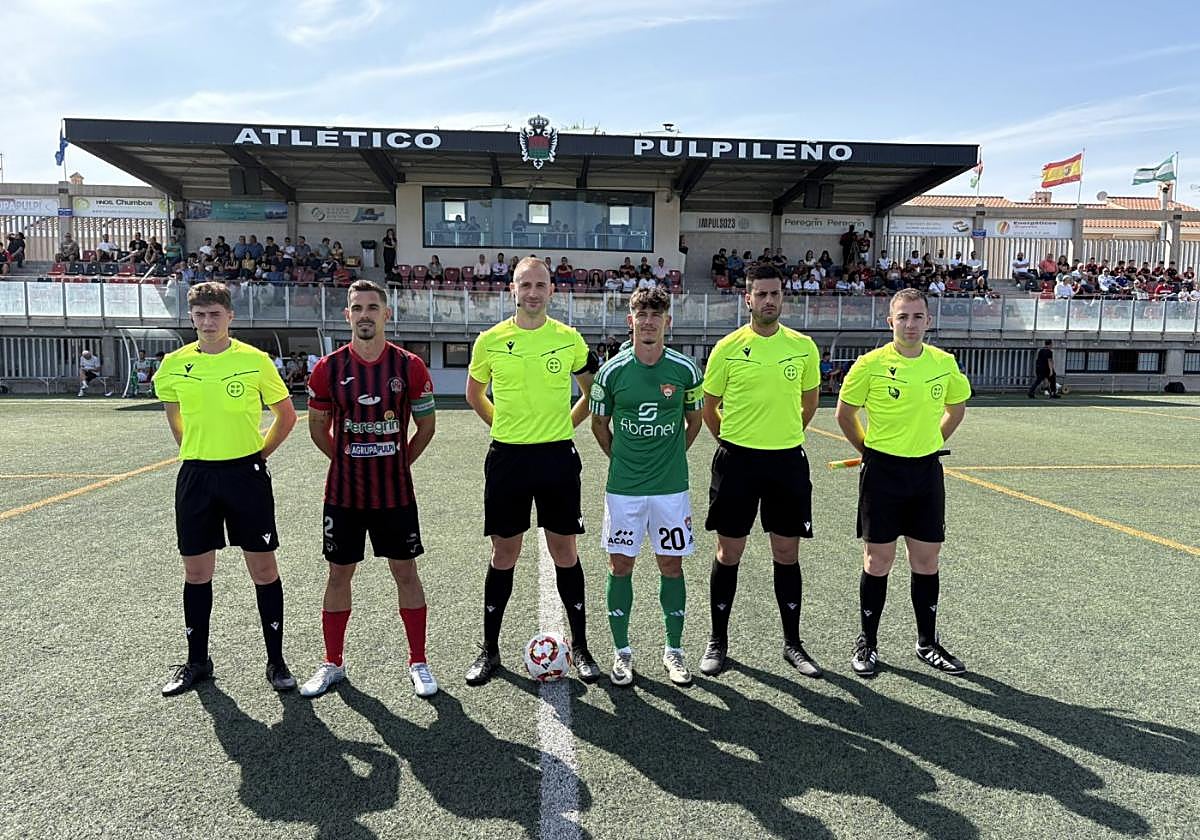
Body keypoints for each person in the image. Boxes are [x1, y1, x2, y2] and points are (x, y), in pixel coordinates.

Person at [153, 281, 298, 696]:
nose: (207, 322)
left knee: (264, 569)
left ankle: (276, 661)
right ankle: (197, 661)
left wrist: (259, 456)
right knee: (197, 572)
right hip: (196, 475)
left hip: (245, 475)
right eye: (199, 315)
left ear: (230, 316)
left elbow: (286, 416)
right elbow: (174, 415)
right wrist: (194, 452)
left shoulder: (255, 362)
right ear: (191, 317)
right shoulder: (174, 365)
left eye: (215, 314)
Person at [463, 257, 602, 685]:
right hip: (508, 459)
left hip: (557, 458)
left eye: (541, 285)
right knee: (504, 553)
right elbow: (474, 395)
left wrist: (563, 426)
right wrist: (505, 428)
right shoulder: (489, 340)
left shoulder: (569, 339)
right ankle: (489, 650)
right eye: (526, 285)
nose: (533, 292)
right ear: (512, 289)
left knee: (565, 551)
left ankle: (580, 647)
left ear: (552, 291)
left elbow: (590, 391)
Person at [299, 280, 439, 699]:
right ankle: (333, 663)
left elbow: (426, 426)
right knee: (339, 573)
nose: (365, 314)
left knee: (406, 572)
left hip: (394, 494)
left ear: (386, 314)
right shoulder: (328, 368)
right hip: (343, 494)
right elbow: (316, 428)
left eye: (373, 307)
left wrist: (399, 462)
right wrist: (345, 460)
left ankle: (419, 661)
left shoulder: (409, 366)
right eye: (357, 307)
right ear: (347, 315)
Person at [834, 288, 971, 677]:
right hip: (882, 474)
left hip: (926, 472)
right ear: (889, 321)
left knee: (926, 561)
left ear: (929, 321)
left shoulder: (944, 363)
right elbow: (845, 414)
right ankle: (867, 643)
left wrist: (930, 443)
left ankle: (927, 643)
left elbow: (956, 409)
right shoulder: (869, 364)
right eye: (902, 317)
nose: (910, 324)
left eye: (917, 317)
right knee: (878, 560)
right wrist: (869, 450)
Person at [698, 263, 823, 679]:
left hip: (786, 461)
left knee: (786, 552)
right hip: (737, 462)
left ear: (782, 297)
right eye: (761, 294)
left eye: (775, 293)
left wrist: (782, 437)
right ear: (747, 298)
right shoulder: (728, 347)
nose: (769, 300)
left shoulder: (803, 347)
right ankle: (718, 642)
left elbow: (809, 403)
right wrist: (732, 441)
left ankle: (793, 643)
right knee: (728, 552)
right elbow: (709, 406)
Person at [589, 287, 704, 687]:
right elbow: (599, 426)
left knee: (670, 565)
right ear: (631, 321)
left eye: (657, 315)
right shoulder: (611, 372)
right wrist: (621, 460)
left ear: (668, 321)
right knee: (621, 565)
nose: (649, 321)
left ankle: (674, 652)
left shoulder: (686, 371)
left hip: (671, 489)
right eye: (642, 314)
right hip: (624, 489)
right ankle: (622, 653)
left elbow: (695, 421)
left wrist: (671, 457)